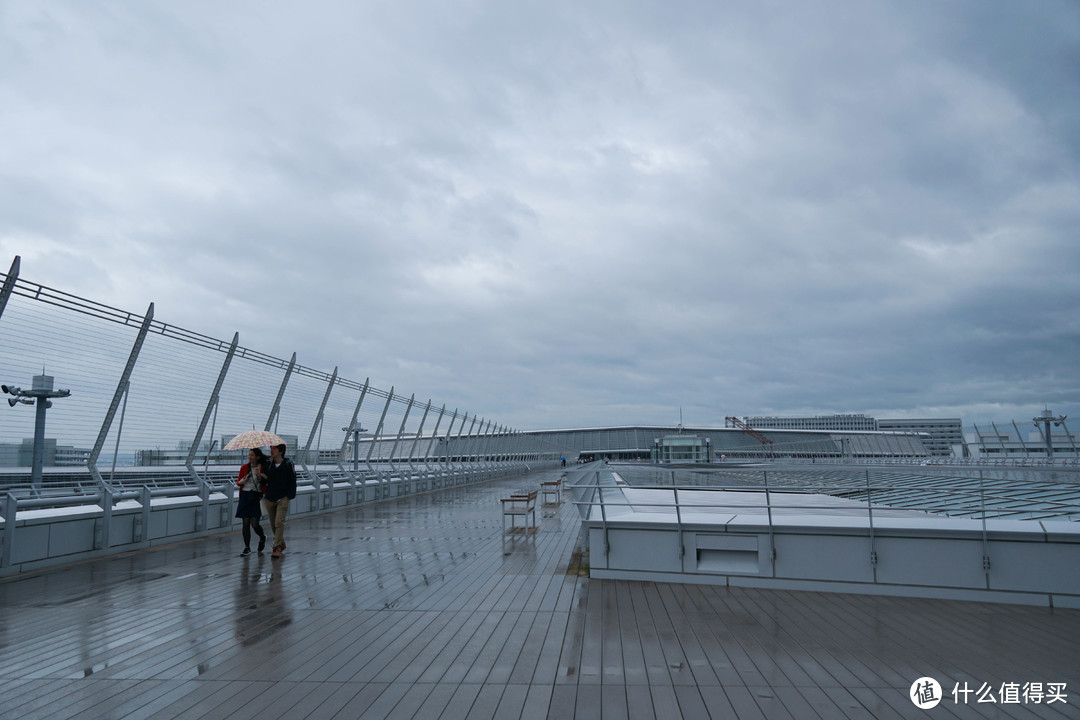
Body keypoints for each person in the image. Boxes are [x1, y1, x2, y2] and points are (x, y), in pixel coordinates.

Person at [263, 443, 297, 558]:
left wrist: (289, 496)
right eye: (271, 448)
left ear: (281, 451)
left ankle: (276, 547)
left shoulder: (288, 464)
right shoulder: (268, 464)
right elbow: (267, 480)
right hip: (270, 497)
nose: (271, 450)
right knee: (273, 524)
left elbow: (292, 481)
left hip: (283, 497)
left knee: (279, 522)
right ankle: (281, 543)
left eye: (274, 448)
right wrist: (260, 476)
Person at [235, 448, 268, 555]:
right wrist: (242, 481)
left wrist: (259, 475)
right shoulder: (244, 468)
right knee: (245, 522)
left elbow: (266, 481)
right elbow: (238, 482)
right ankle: (247, 547)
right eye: (249, 455)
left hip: (256, 496)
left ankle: (262, 537)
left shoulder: (262, 467)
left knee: (254, 524)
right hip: (245, 495)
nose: (250, 457)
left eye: (252, 455)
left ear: (257, 457)